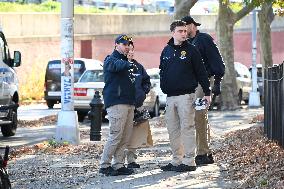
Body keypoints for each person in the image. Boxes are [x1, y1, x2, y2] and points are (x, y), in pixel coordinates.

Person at [159, 20, 211, 172]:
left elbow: (201, 72)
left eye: (185, 31)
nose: (184, 33)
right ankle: (177, 160)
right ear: (173, 33)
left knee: (187, 128)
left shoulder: (192, 50)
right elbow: (162, 71)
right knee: (173, 130)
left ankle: (189, 161)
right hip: (170, 98)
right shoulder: (166, 50)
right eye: (180, 31)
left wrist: (207, 93)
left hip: (186, 96)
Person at [181, 15, 225, 165]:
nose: (184, 30)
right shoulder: (186, 43)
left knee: (199, 116)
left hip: (203, 83)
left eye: (185, 27)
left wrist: (217, 82)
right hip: (191, 85)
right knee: (197, 118)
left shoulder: (204, 39)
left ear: (192, 25)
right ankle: (205, 152)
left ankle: (202, 153)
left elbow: (217, 61)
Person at [99, 34, 136, 176]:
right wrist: (129, 61)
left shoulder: (128, 62)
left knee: (125, 137)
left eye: (128, 45)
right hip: (117, 103)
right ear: (116, 45)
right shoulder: (111, 59)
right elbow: (116, 66)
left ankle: (118, 164)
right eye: (124, 44)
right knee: (115, 135)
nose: (127, 47)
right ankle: (105, 165)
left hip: (129, 103)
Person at [125, 41, 151, 169]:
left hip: (138, 105)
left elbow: (146, 81)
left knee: (135, 134)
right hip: (123, 105)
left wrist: (143, 92)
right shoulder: (119, 65)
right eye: (128, 49)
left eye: (132, 49)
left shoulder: (139, 67)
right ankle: (117, 161)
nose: (130, 52)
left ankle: (131, 160)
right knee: (122, 133)